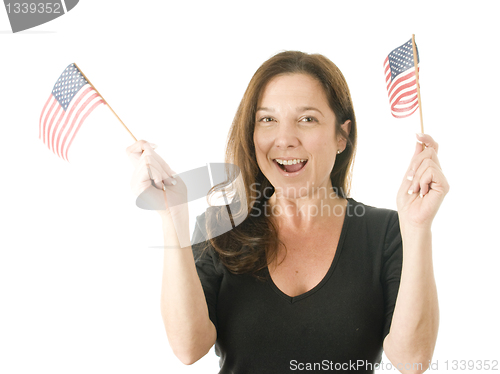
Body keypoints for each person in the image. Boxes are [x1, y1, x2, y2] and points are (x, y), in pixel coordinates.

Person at [126, 51, 449, 373]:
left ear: (342, 135)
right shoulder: (221, 225)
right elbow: (188, 348)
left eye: (307, 119)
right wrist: (172, 217)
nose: (285, 139)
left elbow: (413, 360)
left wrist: (418, 227)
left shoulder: (387, 231)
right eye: (267, 119)